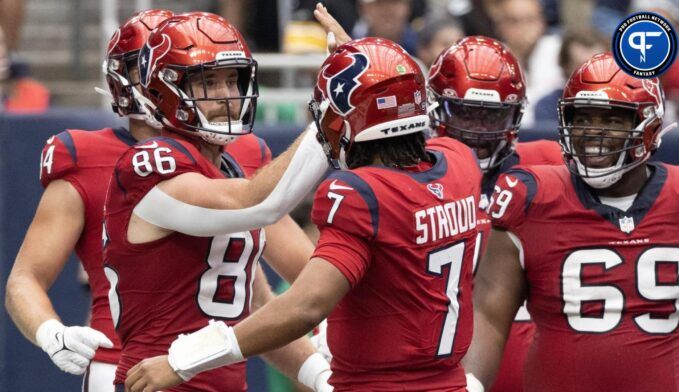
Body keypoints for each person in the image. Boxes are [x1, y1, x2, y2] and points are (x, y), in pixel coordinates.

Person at [124, 37, 484, 392]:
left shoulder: (360, 193)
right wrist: (375, 77)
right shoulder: (459, 163)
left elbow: (306, 305)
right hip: (449, 381)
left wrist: (188, 357)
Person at [102, 12, 332, 391]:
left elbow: (256, 308)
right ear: (166, 90)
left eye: (231, 79)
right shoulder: (148, 164)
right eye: (208, 81)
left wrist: (322, 378)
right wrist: (330, 115)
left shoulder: (231, 166)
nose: (227, 95)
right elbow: (259, 204)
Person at [464, 53, 679, 391]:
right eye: (582, 118)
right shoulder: (530, 196)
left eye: (612, 120)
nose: (592, 133)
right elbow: (488, 313)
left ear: (649, 128)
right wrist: (470, 384)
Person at [4, 9, 173, 392]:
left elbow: (266, 286)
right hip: (123, 368)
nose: (158, 82)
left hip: (218, 366)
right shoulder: (86, 157)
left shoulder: (238, 156)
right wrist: (50, 332)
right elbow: (25, 278)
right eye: (146, 70)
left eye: (170, 69)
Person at [428, 35, 562, 392]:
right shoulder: (407, 173)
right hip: (435, 343)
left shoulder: (549, 166)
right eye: (467, 113)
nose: (478, 130)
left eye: (493, 117)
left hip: (531, 344)